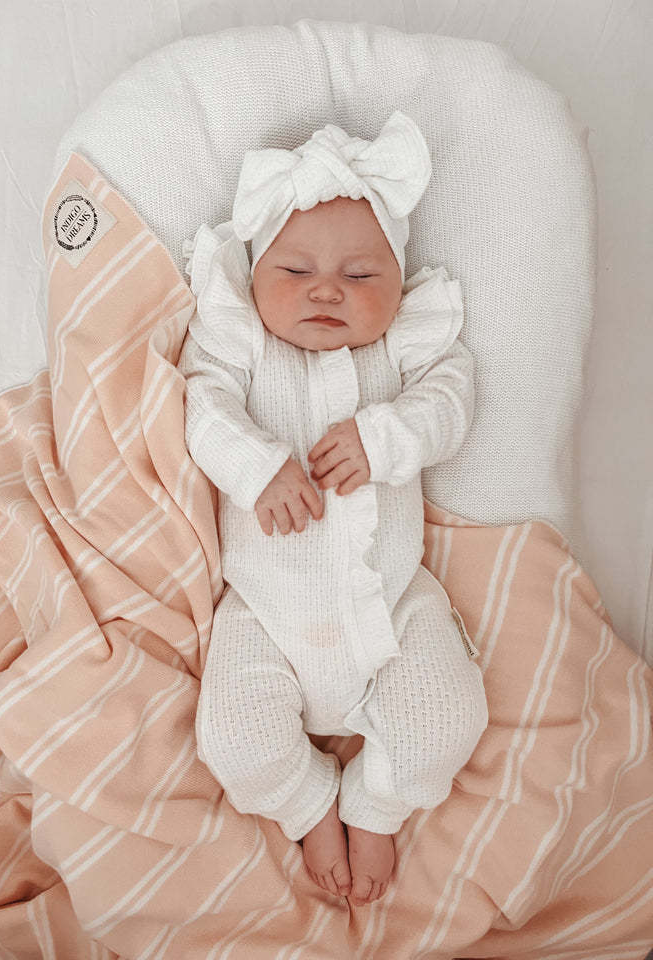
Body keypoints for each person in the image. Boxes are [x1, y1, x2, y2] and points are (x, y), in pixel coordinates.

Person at [177, 110, 489, 908]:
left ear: (397, 287)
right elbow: (201, 408)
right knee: (232, 741)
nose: (326, 290)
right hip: (266, 613)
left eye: (360, 275)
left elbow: (452, 401)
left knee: (449, 719)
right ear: (254, 277)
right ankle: (309, 804)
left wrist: (386, 437)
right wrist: (258, 467)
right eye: (295, 270)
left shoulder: (401, 349)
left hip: (393, 603)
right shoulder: (245, 347)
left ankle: (378, 803)